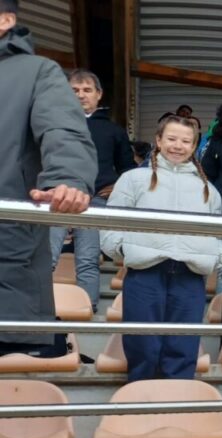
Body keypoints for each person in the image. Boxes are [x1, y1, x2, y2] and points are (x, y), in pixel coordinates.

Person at [0, 0, 96, 358]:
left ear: (5, 20)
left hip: (5, 239)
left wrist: (66, 179)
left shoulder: (37, 71)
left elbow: (62, 128)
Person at [101, 116, 222, 382]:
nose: (177, 146)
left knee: (183, 347)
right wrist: (121, 250)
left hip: (190, 275)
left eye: (185, 141)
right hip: (145, 272)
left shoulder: (208, 189)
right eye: (171, 138)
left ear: (194, 146)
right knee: (143, 345)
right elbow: (112, 220)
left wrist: (215, 259)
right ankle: (141, 405)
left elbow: (216, 233)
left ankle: (174, 407)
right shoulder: (134, 178)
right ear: (158, 140)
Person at [48, 69, 134, 312]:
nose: (81, 95)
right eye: (74, 90)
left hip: (95, 199)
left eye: (87, 90)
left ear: (99, 95)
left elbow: (127, 169)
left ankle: (87, 308)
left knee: (86, 259)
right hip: (57, 197)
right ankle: (37, 307)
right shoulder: (51, 124)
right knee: (46, 258)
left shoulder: (114, 130)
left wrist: (114, 189)